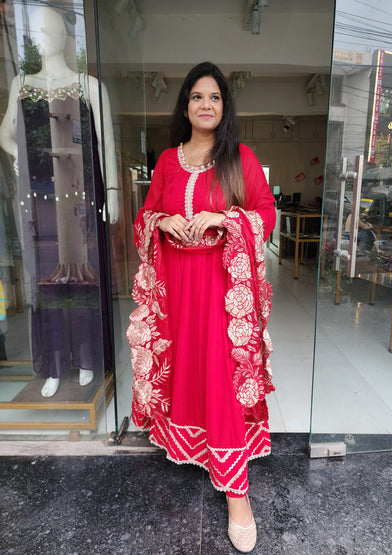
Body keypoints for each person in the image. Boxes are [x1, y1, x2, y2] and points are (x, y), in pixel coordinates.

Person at [126, 62, 276, 552]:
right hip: (176, 284)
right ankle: (192, 446)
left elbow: (265, 213)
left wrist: (224, 217)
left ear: (224, 106)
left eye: (214, 97)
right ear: (185, 106)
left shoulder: (240, 157)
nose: (205, 105)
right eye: (196, 97)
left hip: (218, 285)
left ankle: (238, 493)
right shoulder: (168, 161)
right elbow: (146, 214)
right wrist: (163, 223)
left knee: (223, 376)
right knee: (186, 368)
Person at [0, 6, 119, 397]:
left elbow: (106, 146)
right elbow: (5, 135)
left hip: (79, 203)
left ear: (68, 36)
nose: (45, 37)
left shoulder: (88, 86)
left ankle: (86, 358)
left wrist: (113, 192)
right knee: (45, 285)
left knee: (83, 278)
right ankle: (52, 363)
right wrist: (21, 157)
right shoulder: (21, 83)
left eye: (52, 29)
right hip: (37, 204)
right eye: (39, 31)